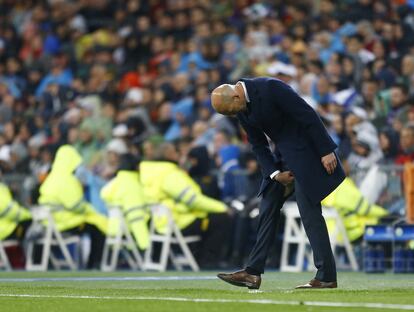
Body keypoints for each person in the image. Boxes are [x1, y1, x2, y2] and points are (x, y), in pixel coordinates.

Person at [211, 77, 345, 289]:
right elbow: (258, 144)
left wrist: (326, 150)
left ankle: (326, 276)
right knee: (267, 206)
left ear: (236, 95)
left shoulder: (270, 88)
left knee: (309, 212)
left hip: (308, 152)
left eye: (233, 110)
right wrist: (274, 173)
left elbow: (306, 114)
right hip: (284, 158)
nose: (236, 115)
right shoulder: (240, 107)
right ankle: (253, 273)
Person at [139, 142, 230, 267]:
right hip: (177, 222)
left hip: (158, 221)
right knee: (221, 218)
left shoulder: (149, 171)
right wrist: (223, 207)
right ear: (169, 154)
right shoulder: (169, 173)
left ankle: (201, 258)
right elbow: (193, 200)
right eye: (177, 152)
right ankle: (207, 261)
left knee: (210, 218)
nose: (180, 155)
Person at [38, 145, 107, 269]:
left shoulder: (51, 178)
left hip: (49, 224)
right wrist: (90, 209)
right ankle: (94, 265)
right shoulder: (67, 180)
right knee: (98, 228)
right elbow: (77, 206)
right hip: (66, 224)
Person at [100, 154, 149, 251]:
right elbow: (136, 217)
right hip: (128, 232)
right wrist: (145, 244)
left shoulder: (115, 183)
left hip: (113, 229)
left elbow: (103, 193)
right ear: (136, 167)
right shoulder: (132, 186)